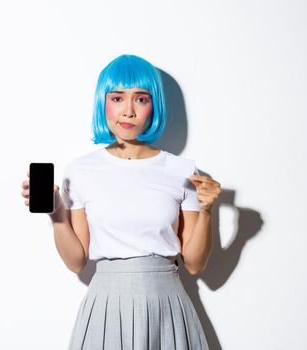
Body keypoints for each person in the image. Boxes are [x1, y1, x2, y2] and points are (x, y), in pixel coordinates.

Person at [21, 54, 221, 349]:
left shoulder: (180, 170)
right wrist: (57, 215)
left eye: (141, 99)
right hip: (106, 304)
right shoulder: (81, 170)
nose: (128, 111)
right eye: (117, 98)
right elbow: (77, 261)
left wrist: (206, 211)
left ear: (155, 106)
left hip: (166, 302)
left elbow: (193, 265)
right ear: (103, 103)